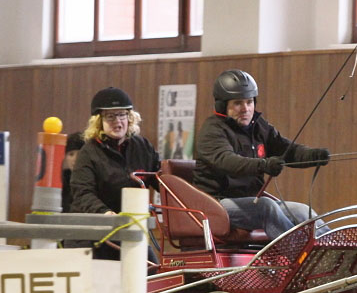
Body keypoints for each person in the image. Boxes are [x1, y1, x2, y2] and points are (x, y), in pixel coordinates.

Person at [192, 69, 330, 240]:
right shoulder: (212, 130)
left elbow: (287, 150)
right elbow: (227, 161)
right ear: (222, 106)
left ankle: (335, 253)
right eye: (238, 103)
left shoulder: (258, 126)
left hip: (250, 200)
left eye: (249, 102)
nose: (245, 109)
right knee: (266, 207)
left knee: (303, 211)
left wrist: (313, 155)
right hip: (216, 203)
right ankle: (301, 254)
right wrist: (263, 165)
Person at [69, 87, 160, 259]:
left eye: (121, 115)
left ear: (130, 117)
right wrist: (105, 213)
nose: (117, 121)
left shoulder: (143, 147)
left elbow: (160, 178)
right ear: (99, 121)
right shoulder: (88, 153)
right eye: (110, 116)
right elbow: (82, 193)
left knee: (152, 272)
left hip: (130, 230)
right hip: (93, 237)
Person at [60, 131, 84, 213]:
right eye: (71, 154)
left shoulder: (94, 180)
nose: (75, 159)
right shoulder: (61, 180)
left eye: (79, 154)